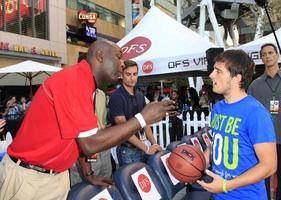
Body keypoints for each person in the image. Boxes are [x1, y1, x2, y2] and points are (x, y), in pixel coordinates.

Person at [0, 40, 174, 200]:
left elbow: (79, 137)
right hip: (30, 178)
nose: (122, 63)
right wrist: (142, 118)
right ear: (100, 56)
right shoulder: (73, 80)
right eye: (119, 57)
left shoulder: (85, 82)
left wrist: (88, 172)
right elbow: (89, 143)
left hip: (53, 177)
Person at [197, 49, 277, 200]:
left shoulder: (256, 113)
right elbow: (217, 141)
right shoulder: (218, 108)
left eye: (218, 71)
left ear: (236, 78)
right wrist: (202, 160)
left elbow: (269, 165)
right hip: (218, 195)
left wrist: (227, 185)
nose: (211, 75)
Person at [248, 43, 281, 200]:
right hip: (262, 142)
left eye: (270, 52)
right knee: (261, 182)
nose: (267, 56)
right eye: (264, 54)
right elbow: (250, 117)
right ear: (261, 59)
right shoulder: (254, 86)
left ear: (277, 55)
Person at [69, 54, 113, 187]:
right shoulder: (73, 94)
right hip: (84, 148)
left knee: (106, 180)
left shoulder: (101, 94)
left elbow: (102, 119)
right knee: (83, 186)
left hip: (103, 145)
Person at [108, 60, 162, 166]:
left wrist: (154, 144)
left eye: (135, 74)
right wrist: (146, 148)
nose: (132, 78)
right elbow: (124, 129)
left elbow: (145, 123)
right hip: (127, 150)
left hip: (143, 145)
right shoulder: (116, 97)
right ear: (121, 75)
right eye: (128, 74)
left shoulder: (140, 96)